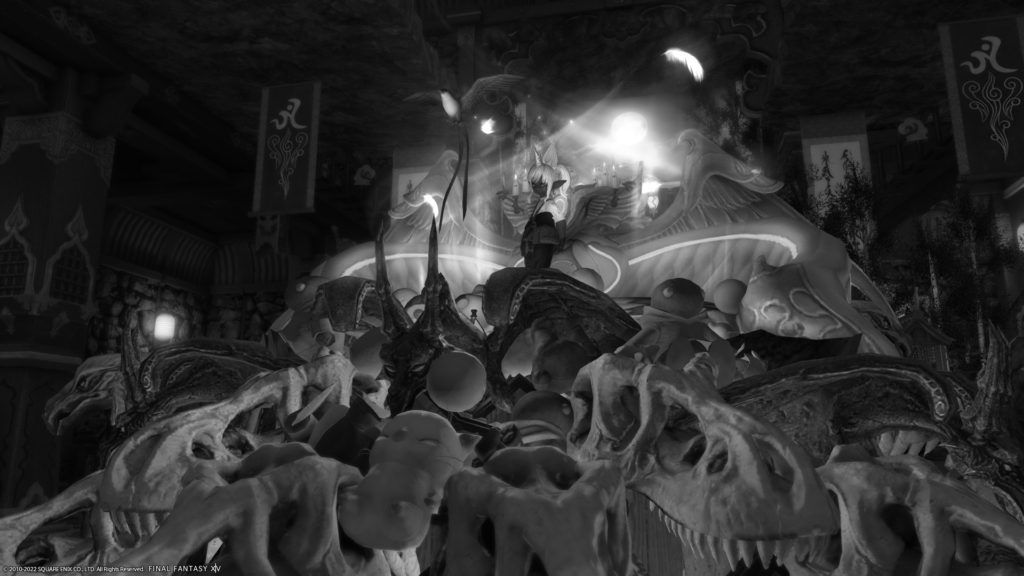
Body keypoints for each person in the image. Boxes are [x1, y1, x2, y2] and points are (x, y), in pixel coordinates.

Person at [520, 155, 568, 269]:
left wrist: (561, 240)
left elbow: (561, 221)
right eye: (534, 184)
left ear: (550, 183)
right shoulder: (540, 202)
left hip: (544, 242)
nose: (537, 187)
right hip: (533, 242)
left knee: (540, 267)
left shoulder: (550, 204)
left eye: (541, 184)